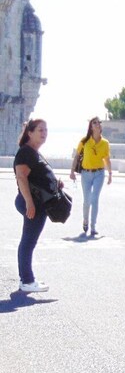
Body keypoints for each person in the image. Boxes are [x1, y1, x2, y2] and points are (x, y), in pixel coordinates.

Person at [14, 119, 60, 292]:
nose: (44, 133)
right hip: (32, 203)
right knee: (28, 242)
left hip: (36, 203)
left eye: (46, 130)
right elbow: (21, 177)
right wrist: (29, 203)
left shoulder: (33, 152)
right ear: (29, 133)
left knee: (29, 241)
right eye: (40, 130)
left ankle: (27, 279)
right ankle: (26, 281)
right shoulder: (26, 152)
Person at [70, 117, 112, 236]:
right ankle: (85, 220)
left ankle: (93, 226)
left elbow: (107, 159)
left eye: (99, 123)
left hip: (99, 173)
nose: (97, 124)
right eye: (95, 123)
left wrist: (110, 174)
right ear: (91, 126)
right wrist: (72, 171)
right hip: (86, 173)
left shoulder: (105, 143)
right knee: (87, 200)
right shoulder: (84, 141)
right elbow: (77, 157)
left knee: (95, 199)